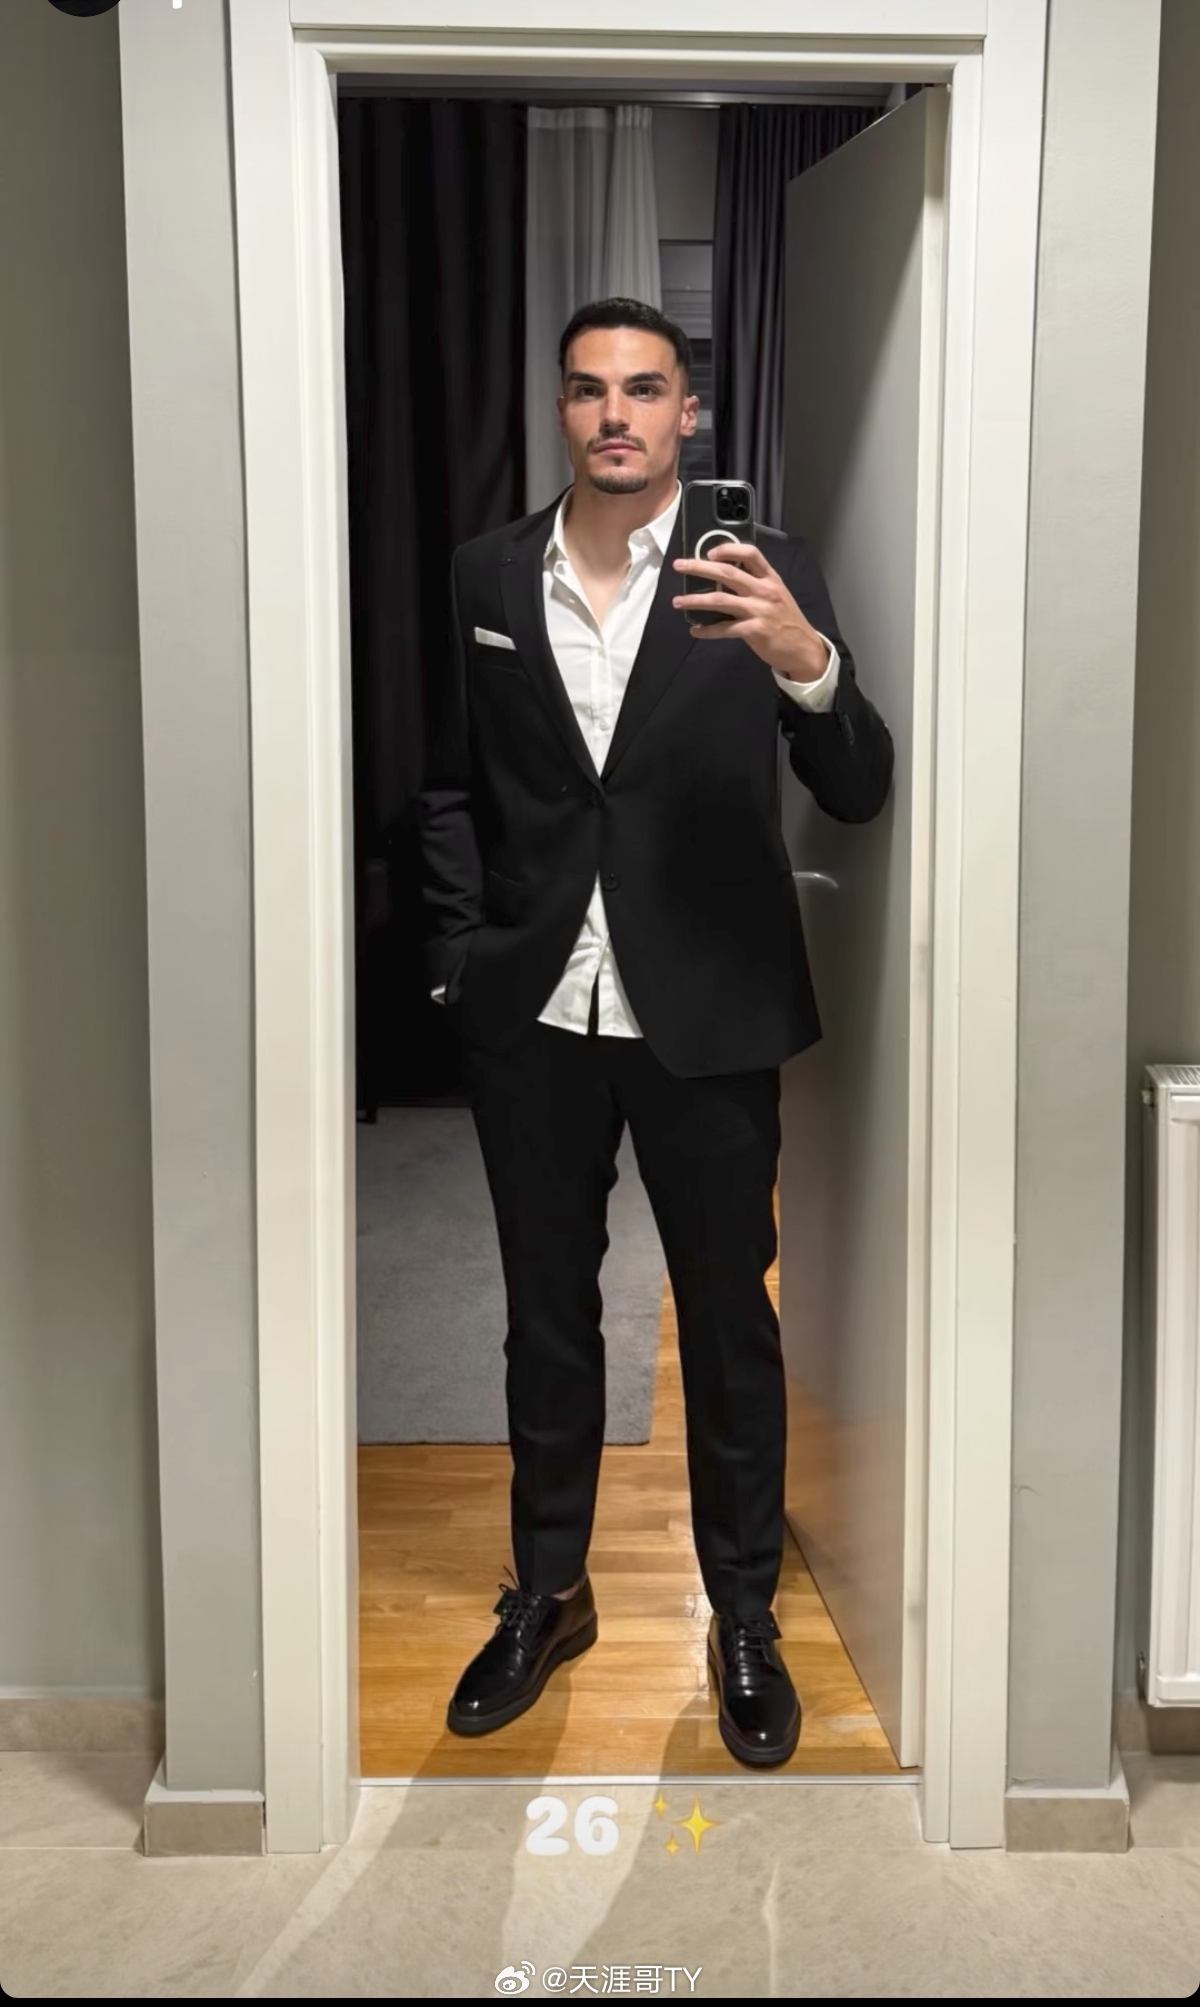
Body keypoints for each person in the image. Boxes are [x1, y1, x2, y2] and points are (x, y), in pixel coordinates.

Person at [418, 295, 893, 1766]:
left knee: (730, 1319)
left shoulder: (762, 565)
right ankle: (548, 1592)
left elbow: (860, 784)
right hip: (536, 1009)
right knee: (546, 1317)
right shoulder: (488, 571)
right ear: (561, 408)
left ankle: (741, 1616)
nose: (614, 413)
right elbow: (449, 781)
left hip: (710, 1002)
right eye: (587, 389)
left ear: (690, 411)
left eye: (643, 389)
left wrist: (806, 661)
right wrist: (459, 954)